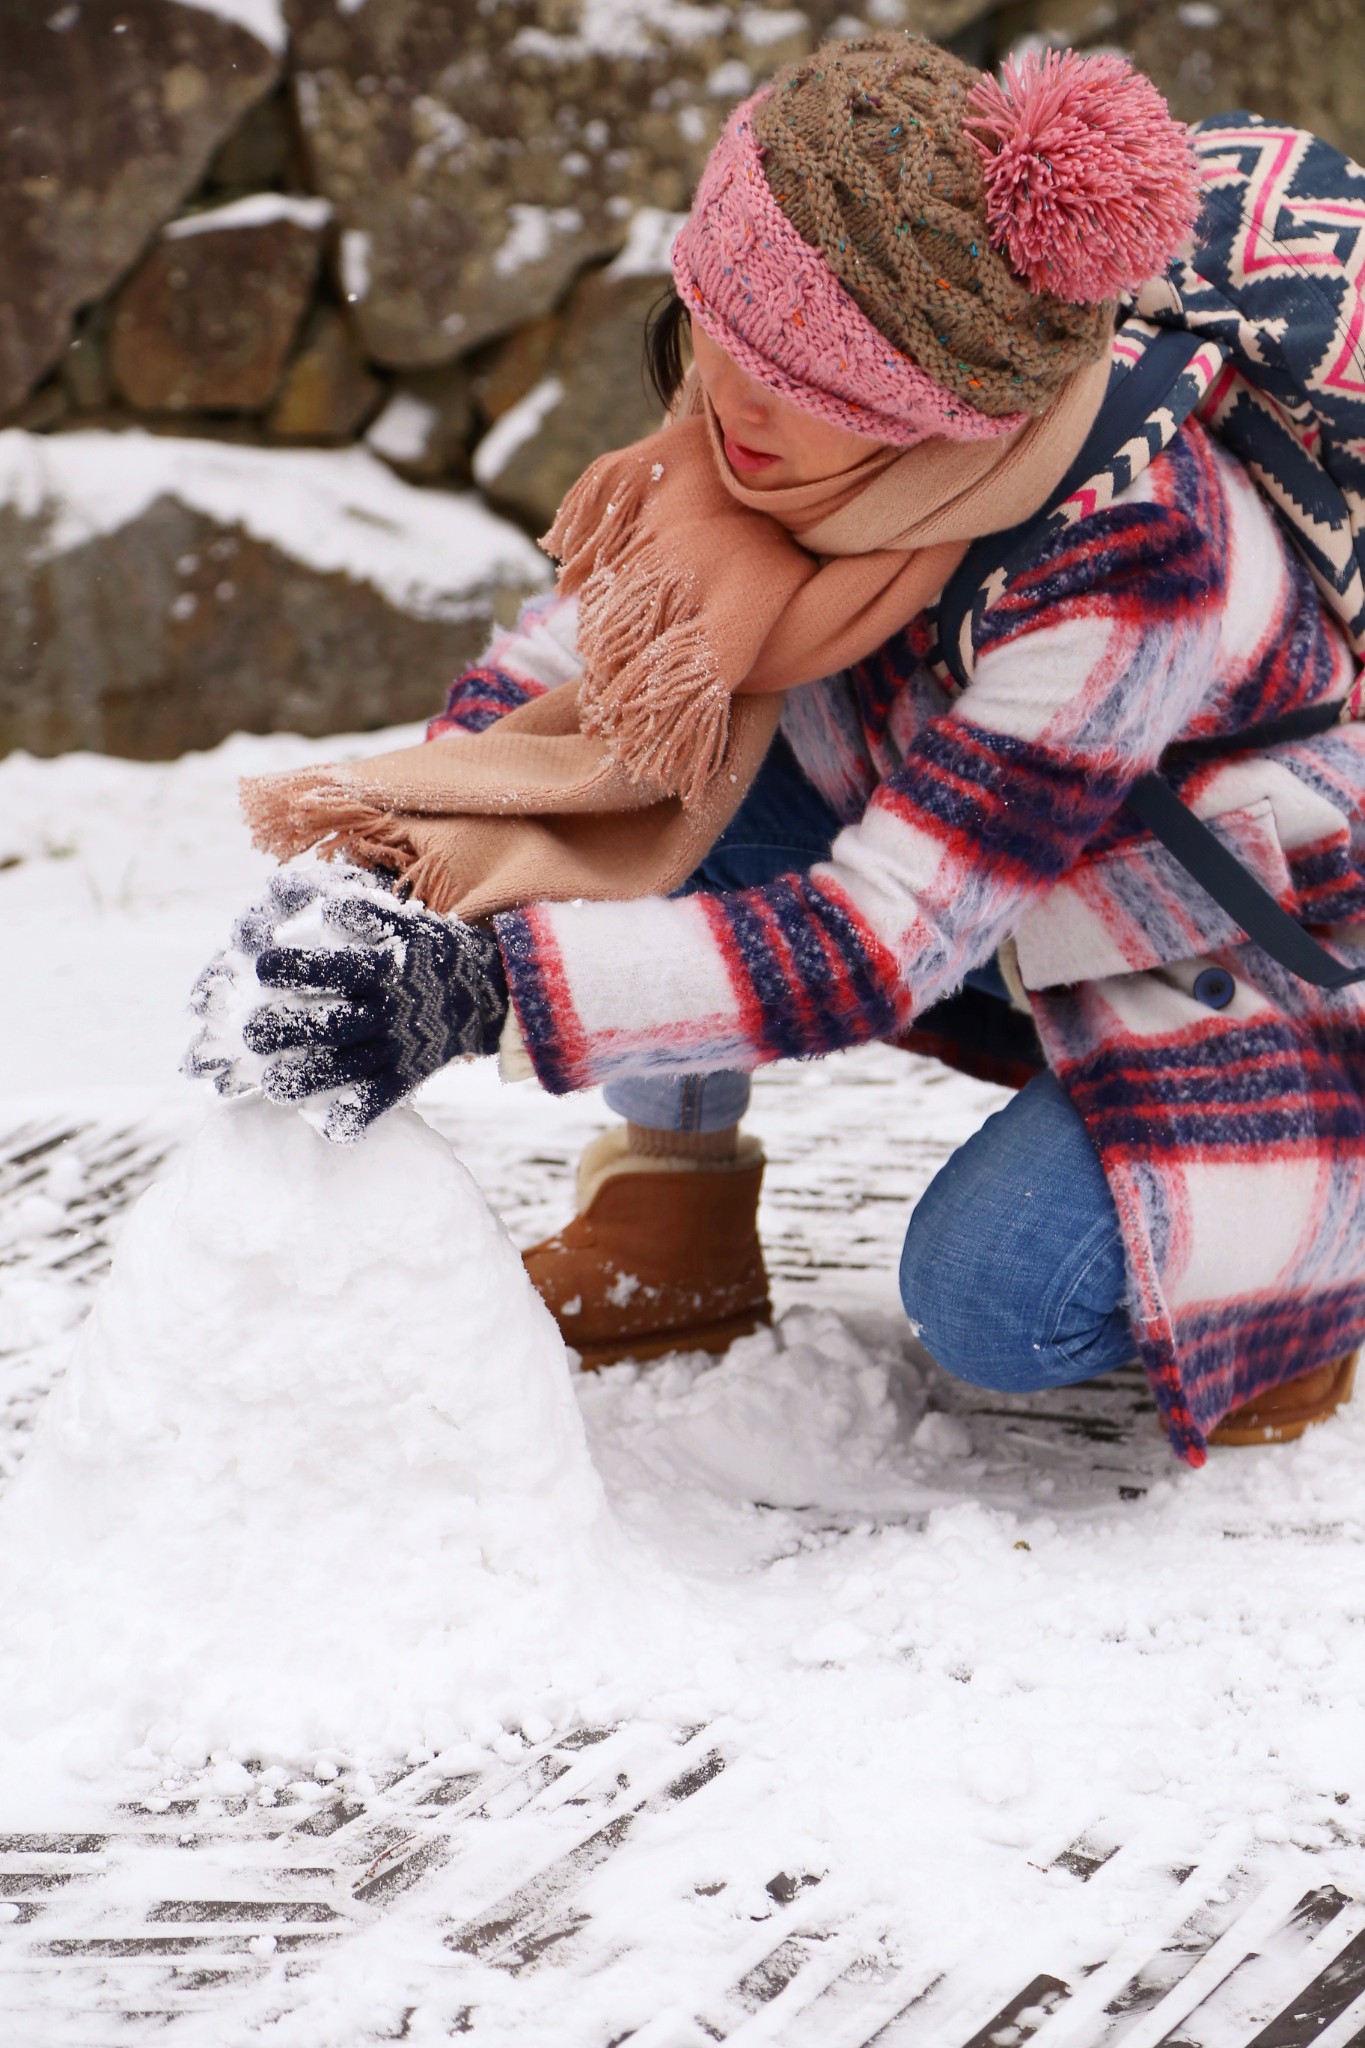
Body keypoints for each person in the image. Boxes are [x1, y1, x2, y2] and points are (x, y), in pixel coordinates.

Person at [189, 33, 1365, 1468]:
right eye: (722, 335)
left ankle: (1307, 1262)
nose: (731, 404)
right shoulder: (789, 405)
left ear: (934, 396)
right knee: (652, 762)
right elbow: (591, 663)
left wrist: (484, 990)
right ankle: (668, 1218)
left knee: (995, 1303)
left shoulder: (1132, 556)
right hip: (992, 880)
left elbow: (883, 941)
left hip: (1216, 941)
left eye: (796, 373)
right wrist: (411, 866)